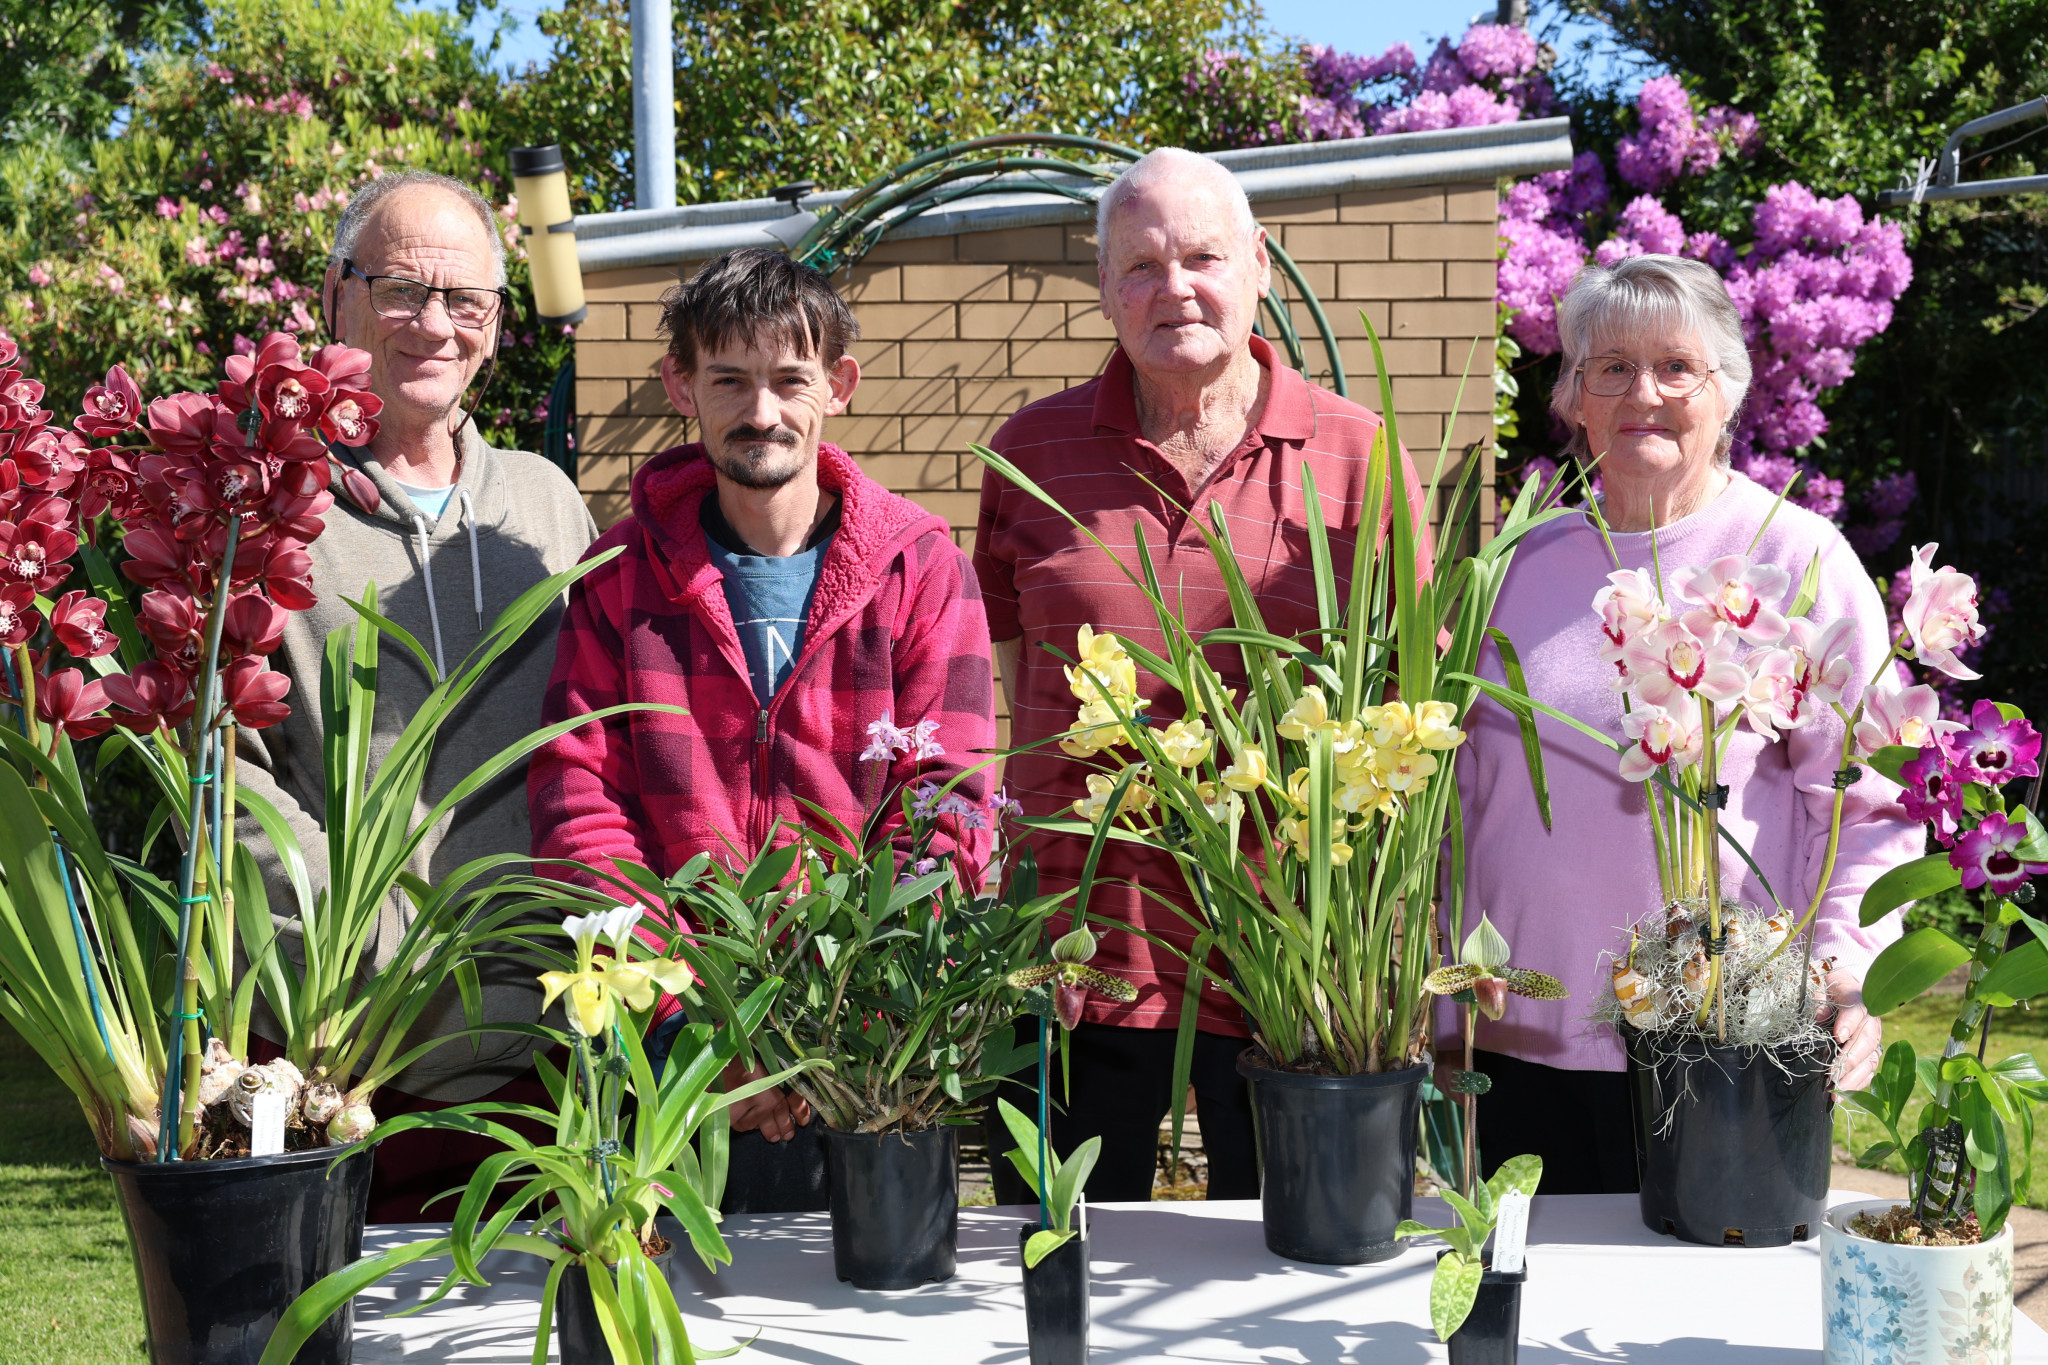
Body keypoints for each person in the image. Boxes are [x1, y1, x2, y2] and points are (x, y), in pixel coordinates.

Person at [973, 147, 1430, 1203]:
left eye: (1200, 257)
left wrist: (1402, 953)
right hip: (1083, 949)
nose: (1172, 288)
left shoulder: (1359, 458)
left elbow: (1410, 719)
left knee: (1290, 1280)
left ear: (1258, 267)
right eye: (1137, 266)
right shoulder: (1030, 456)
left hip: (1293, 953)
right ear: (1101, 290)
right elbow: (1010, 693)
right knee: (1064, 1272)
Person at [527, 247, 997, 1212]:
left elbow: (947, 802)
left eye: (790, 379)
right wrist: (697, 1023)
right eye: (729, 380)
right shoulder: (619, 575)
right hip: (674, 1059)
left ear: (840, 384)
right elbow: (581, 804)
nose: (762, 411)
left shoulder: (919, 567)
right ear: (681, 385)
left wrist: (840, 1024)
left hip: (870, 1053)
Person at [1453, 253, 1917, 1195]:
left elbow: (1871, 800)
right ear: (1574, 397)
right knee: (1531, 1310)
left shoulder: (1794, 554)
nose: (1644, 393)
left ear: (1729, 392)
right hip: (1517, 1038)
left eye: (1677, 367)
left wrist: (1847, 969)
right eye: (1611, 367)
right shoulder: (1514, 566)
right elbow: (1459, 801)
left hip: (1722, 1044)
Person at [235, 170, 598, 1220]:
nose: (434, 325)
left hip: (546, 1057)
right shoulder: (267, 516)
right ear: (336, 299)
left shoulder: (544, 503)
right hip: (337, 1057)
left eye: (466, 300)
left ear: (495, 321)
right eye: (401, 289)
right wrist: (378, 958)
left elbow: (591, 747)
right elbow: (234, 790)